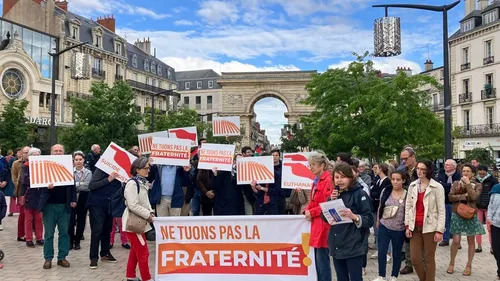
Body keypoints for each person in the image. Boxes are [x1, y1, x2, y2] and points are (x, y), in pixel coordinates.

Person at [327, 162, 373, 281]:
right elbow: (325, 217)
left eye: (343, 177)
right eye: (337, 177)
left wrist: (354, 216)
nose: (339, 180)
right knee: (341, 278)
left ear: (350, 178)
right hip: (337, 244)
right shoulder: (334, 195)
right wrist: (330, 201)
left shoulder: (360, 194)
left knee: (355, 278)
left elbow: (369, 219)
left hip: (354, 245)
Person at [38, 144, 77, 269]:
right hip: (49, 205)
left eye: (60, 151)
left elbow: (72, 185)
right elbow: (37, 185)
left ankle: (62, 257)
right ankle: (48, 258)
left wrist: (73, 199)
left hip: (64, 205)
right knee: (49, 233)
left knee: (64, 232)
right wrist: (47, 187)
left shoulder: (67, 165)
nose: (58, 153)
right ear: (51, 152)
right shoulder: (44, 166)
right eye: (56, 151)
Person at [405, 160, 445, 281]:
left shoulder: (437, 187)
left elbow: (441, 210)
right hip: (415, 226)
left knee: (429, 258)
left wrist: (440, 230)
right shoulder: (412, 186)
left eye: (423, 169)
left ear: (429, 171)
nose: (420, 171)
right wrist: (407, 225)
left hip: (430, 227)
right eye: (418, 169)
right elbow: (408, 206)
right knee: (415, 259)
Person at [447, 164, 485, 276]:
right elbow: (450, 197)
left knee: (471, 241)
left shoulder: (478, 185)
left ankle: (469, 265)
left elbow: (473, 197)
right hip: (457, 213)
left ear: (473, 173)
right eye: (463, 171)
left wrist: (468, 184)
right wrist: (464, 195)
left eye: (468, 171)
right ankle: (451, 263)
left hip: (470, 214)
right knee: (456, 241)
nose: (465, 173)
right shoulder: (455, 183)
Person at [123, 157, 155, 281]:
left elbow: (145, 203)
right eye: (146, 168)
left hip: (139, 222)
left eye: (149, 168)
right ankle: (146, 278)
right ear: (137, 169)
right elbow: (133, 205)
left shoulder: (142, 182)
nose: (148, 170)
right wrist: (148, 215)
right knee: (143, 252)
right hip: (133, 224)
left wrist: (150, 212)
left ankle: (130, 276)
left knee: (135, 252)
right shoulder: (132, 183)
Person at [373, 171, 407, 281]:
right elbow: (380, 206)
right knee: (382, 251)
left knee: (397, 253)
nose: (395, 182)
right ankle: (381, 275)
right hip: (384, 225)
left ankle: (394, 275)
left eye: (398, 179)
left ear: (403, 180)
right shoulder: (386, 190)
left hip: (399, 228)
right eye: (393, 179)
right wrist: (378, 220)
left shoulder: (407, 194)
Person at [304, 153, 333, 281]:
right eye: (310, 165)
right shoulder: (316, 181)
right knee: (317, 259)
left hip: (323, 223)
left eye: (313, 165)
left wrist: (312, 212)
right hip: (317, 223)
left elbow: (327, 203)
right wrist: (306, 210)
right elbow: (312, 201)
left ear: (322, 166)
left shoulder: (328, 180)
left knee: (322, 260)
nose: (311, 168)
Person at [88, 165, 122, 269]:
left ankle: (105, 253)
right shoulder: (101, 168)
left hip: (110, 204)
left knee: (107, 229)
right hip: (97, 203)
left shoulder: (122, 171)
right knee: (97, 229)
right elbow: (91, 185)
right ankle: (93, 258)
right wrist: (108, 179)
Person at [399, 146, 418, 275]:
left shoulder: (422, 169)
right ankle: (409, 263)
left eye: (406, 158)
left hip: (420, 206)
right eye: (402, 159)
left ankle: (420, 262)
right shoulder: (402, 171)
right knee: (407, 235)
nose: (404, 161)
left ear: (413, 156)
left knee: (419, 235)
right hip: (406, 206)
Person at [21, 147, 44, 248]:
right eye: (34, 155)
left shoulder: (43, 166)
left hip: (40, 194)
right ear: (30, 157)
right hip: (29, 194)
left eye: (38, 155)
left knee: (39, 219)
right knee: (29, 219)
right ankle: (29, 239)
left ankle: (39, 238)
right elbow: (24, 180)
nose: (36, 157)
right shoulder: (25, 166)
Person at [69, 151, 92, 250]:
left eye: (80, 159)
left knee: (81, 220)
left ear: (84, 160)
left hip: (83, 197)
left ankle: (77, 241)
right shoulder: (69, 171)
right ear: (73, 161)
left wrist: (76, 184)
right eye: (76, 160)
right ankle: (70, 241)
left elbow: (88, 186)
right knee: (70, 221)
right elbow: (69, 186)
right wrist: (80, 184)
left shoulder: (88, 172)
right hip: (72, 198)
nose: (78, 162)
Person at [436, 159, 461, 247]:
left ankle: (457, 242)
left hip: (455, 201)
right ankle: (445, 239)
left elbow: (457, 187)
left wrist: (444, 184)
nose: (445, 166)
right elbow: (438, 184)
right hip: (444, 200)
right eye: (445, 165)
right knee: (445, 220)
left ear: (454, 167)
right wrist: (449, 185)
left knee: (455, 221)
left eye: (448, 165)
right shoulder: (441, 173)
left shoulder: (458, 175)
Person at [370, 163, 392, 261]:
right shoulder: (378, 180)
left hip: (383, 208)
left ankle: (388, 252)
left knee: (385, 231)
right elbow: (373, 192)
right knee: (377, 231)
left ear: (381, 169)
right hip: (375, 208)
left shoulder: (387, 181)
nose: (375, 170)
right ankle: (380, 250)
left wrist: (375, 195)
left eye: (377, 168)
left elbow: (380, 194)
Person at [476, 164, 498, 253]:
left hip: (489, 206)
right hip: (478, 206)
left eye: (483, 172)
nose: (481, 174)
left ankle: (492, 247)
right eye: (479, 172)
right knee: (478, 227)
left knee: (490, 228)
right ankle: (479, 245)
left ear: (486, 171)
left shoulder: (493, 180)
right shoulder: (475, 180)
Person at [12, 146, 30, 241]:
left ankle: (30, 233)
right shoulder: (16, 163)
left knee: (33, 214)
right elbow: (14, 175)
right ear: (22, 153)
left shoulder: (34, 163)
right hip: (21, 190)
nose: (27, 154)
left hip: (32, 191)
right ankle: (21, 234)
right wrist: (17, 184)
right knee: (23, 213)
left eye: (28, 152)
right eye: (25, 152)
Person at [487, 183, 500, 279]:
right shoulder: (495, 189)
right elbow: (490, 205)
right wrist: (489, 218)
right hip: (496, 224)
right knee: (496, 250)